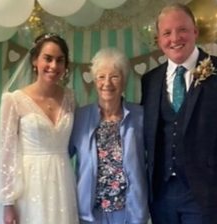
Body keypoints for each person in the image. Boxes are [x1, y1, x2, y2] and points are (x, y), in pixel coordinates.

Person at [140, 3, 217, 224]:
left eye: (182, 29)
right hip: (160, 194)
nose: (175, 38)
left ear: (195, 32)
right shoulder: (150, 80)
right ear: (159, 40)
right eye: (166, 33)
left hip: (205, 191)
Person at [0, 33, 79, 224]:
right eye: (48, 58)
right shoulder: (13, 100)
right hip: (30, 185)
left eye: (60, 60)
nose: (54, 66)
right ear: (35, 60)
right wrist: (8, 203)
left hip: (63, 180)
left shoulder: (70, 98)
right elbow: (6, 153)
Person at [69, 48, 149, 224]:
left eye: (114, 76)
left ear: (124, 80)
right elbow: (61, 156)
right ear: (94, 80)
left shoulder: (140, 116)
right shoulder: (80, 117)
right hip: (90, 212)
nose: (107, 83)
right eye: (101, 76)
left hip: (130, 210)